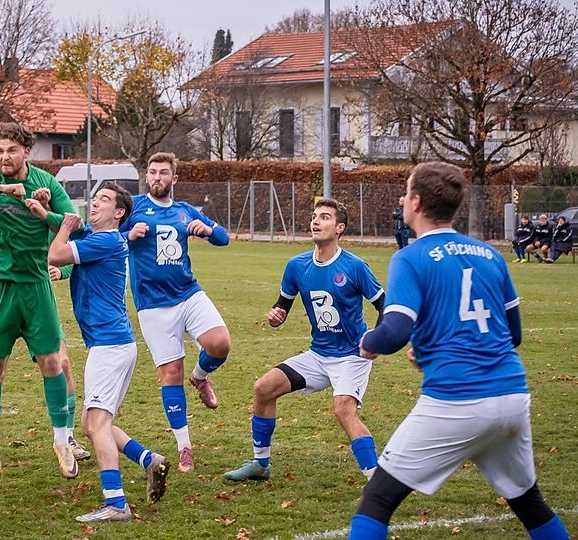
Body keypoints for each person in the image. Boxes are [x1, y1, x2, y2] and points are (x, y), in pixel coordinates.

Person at [349, 162, 571, 540]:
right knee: (529, 503)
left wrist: (368, 343)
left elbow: (394, 332)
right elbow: (511, 334)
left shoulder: (410, 257)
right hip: (512, 395)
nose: (402, 199)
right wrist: (435, 346)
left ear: (416, 202)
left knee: (377, 501)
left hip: (457, 399)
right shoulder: (489, 254)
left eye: (406, 192)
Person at [223, 198, 385, 482]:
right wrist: (277, 316)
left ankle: (378, 482)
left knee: (343, 410)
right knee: (264, 388)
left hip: (351, 355)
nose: (315, 221)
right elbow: (282, 306)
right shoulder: (296, 265)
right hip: (318, 355)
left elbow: (386, 306)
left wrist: (377, 340)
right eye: (314, 216)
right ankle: (261, 464)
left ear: (339, 228)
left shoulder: (354, 266)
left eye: (324, 217)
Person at [0, 122, 78, 481]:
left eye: (11, 150)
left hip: (36, 286)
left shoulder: (47, 183)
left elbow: (73, 222)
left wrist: (46, 213)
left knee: (53, 362)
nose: (5, 157)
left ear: (27, 151)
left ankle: (60, 439)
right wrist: (0, 186)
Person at [47, 184, 170, 523]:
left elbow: (55, 255)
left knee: (97, 423)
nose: (95, 203)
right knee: (90, 422)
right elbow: (63, 224)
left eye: (103, 200)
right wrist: (45, 210)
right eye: (95, 198)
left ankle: (116, 503)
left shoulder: (105, 240)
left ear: (119, 213)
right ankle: (149, 460)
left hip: (110, 345)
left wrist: (63, 228)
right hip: (108, 344)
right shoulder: (98, 238)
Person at [120, 152, 231, 473]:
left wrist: (208, 232)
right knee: (170, 375)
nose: (156, 177)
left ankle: (200, 377)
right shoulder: (134, 208)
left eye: (163, 172)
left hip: (188, 294)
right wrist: (128, 234)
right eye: (152, 172)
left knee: (220, 344)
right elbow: (105, 235)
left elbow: (223, 239)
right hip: (153, 306)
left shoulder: (185, 211)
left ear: (174, 179)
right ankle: (185, 448)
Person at [0, 223, 91, 462]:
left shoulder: (48, 219)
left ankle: (67, 438)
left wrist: (63, 271)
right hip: (2, 302)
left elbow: (78, 250)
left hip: (38, 304)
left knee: (63, 363)